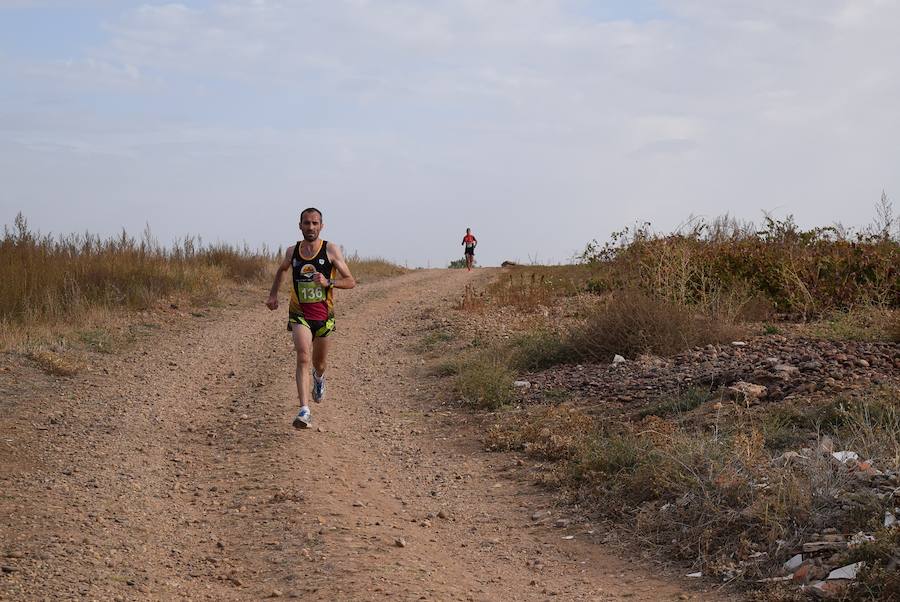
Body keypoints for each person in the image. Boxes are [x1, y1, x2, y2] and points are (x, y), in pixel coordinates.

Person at [266, 208, 355, 428]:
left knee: (319, 363)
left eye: (315, 223)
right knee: (303, 356)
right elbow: (282, 270)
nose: (311, 227)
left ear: (321, 226)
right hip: (300, 314)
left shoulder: (331, 250)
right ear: (300, 226)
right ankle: (304, 410)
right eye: (307, 223)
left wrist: (328, 282)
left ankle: (319, 379)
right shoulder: (292, 251)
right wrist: (273, 294)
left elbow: (351, 281)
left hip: (324, 316)